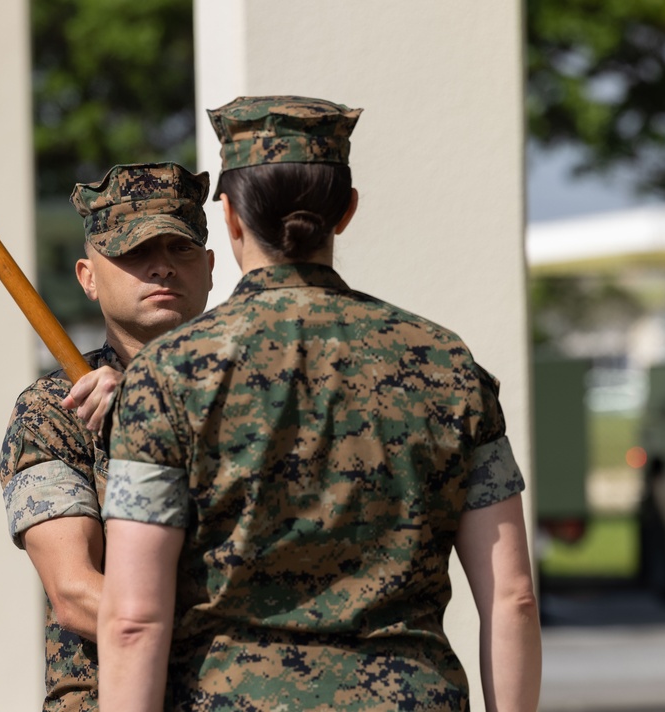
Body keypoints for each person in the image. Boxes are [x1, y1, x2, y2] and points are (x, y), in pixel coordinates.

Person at [98, 96, 542, 712]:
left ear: (228, 218)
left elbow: (133, 621)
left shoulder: (168, 375)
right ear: (347, 212)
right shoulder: (446, 364)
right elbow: (512, 596)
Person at [0, 161, 215, 711]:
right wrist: (240, 645)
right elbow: (74, 592)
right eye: (134, 253)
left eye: (180, 249)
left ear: (210, 267)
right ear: (87, 277)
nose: (161, 267)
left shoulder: (259, 391)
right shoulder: (53, 412)